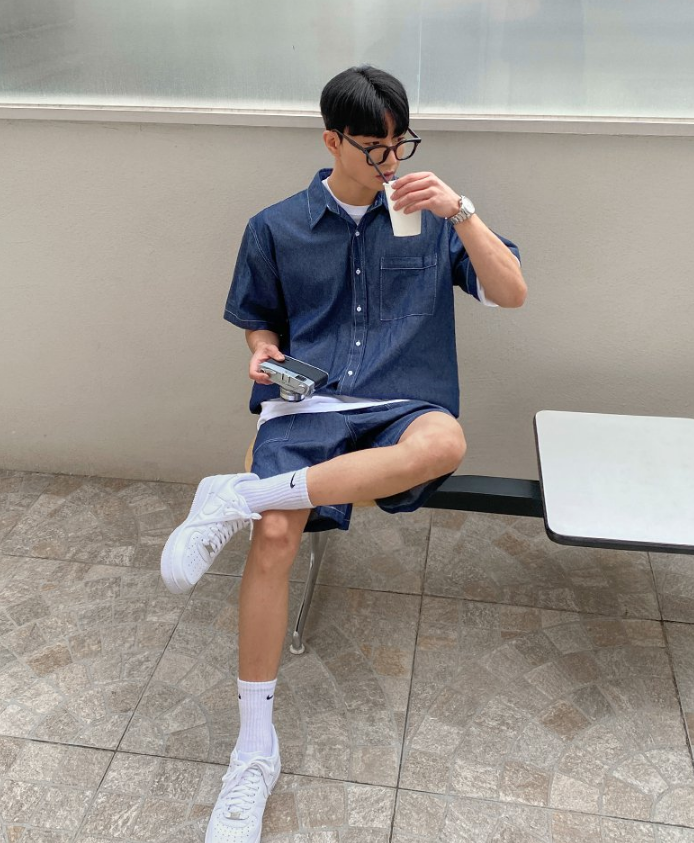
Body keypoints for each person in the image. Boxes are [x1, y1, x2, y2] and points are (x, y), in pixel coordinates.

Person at [161, 65, 526, 843]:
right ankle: (253, 751)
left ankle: (238, 494)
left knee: (448, 439)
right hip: (308, 402)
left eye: (401, 144)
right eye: (373, 147)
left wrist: (461, 211)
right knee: (274, 539)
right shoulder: (274, 226)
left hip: (403, 402)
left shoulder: (432, 216)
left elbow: (512, 291)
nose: (390, 161)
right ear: (331, 140)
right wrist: (262, 352)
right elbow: (259, 322)